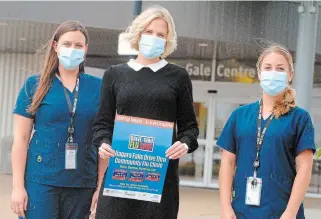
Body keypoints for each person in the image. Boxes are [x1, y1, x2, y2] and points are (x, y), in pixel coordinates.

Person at [91, 6, 199, 219]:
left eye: (161, 34)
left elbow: (190, 128)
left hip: (159, 181)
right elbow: (102, 124)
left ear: (168, 40)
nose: (154, 38)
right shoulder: (114, 74)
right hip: (120, 177)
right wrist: (103, 143)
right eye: (149, 32)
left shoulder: (178, 76)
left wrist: (184, 143)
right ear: (138, 34)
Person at [11, 20, 101, 219]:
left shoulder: (98, 87)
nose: (72, 49)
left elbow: (105, 141)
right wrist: (18, 187)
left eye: (78, 45)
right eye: (67, 44)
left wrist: (100, 188)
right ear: (55, 46)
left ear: (85, 49)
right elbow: (21, 140)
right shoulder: (34, 84)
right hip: (41, 183)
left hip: (83, 183)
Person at [218, 45, 315, 219]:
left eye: (280, 69)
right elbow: (227, 163)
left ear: (290, 75)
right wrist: (226, 207)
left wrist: (290, 213)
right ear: (259, 73)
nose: (273, 73)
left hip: (281, 212)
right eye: (268, 67)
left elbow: (305, 168)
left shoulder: (300, 118)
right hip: (242, 211)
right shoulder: (239, 115)